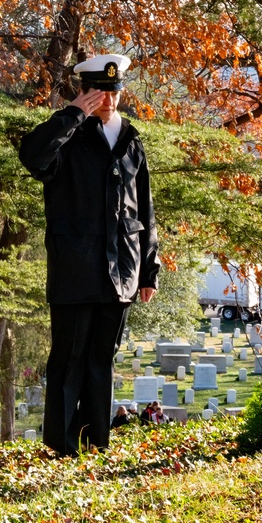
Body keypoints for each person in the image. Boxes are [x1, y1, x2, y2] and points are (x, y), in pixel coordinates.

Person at [20, 53, 160, 456]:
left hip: (122, 269)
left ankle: (95, 442)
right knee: (69, 359)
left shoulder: (132, 140)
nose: (108, 101)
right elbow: (33, 157)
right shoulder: (67, 136)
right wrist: (69, 117)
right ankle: (61, 447)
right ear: (83, 94)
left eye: (114, 93)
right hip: (75, 269)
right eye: (99, 93)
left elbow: (145, 209)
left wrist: (149, 268)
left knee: (102, 359)